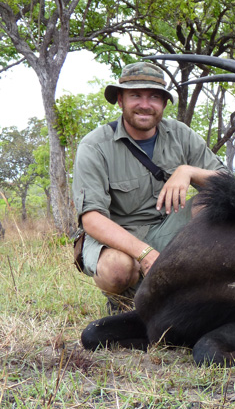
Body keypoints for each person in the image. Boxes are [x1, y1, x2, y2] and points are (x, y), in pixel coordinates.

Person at [73, 62, 225, 307]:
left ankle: (200, 291)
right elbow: (91, 219)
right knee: (117, 270)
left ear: (164, 104)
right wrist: (145, 253)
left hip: (167, 227)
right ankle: (123, 301)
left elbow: (230, 184)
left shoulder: (181, 134)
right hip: (117, 236)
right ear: (120, 101)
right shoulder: (94, 145)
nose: (145, 104)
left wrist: (188, 172)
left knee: (214, 204)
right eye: (135, 95)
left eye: (154, 97)